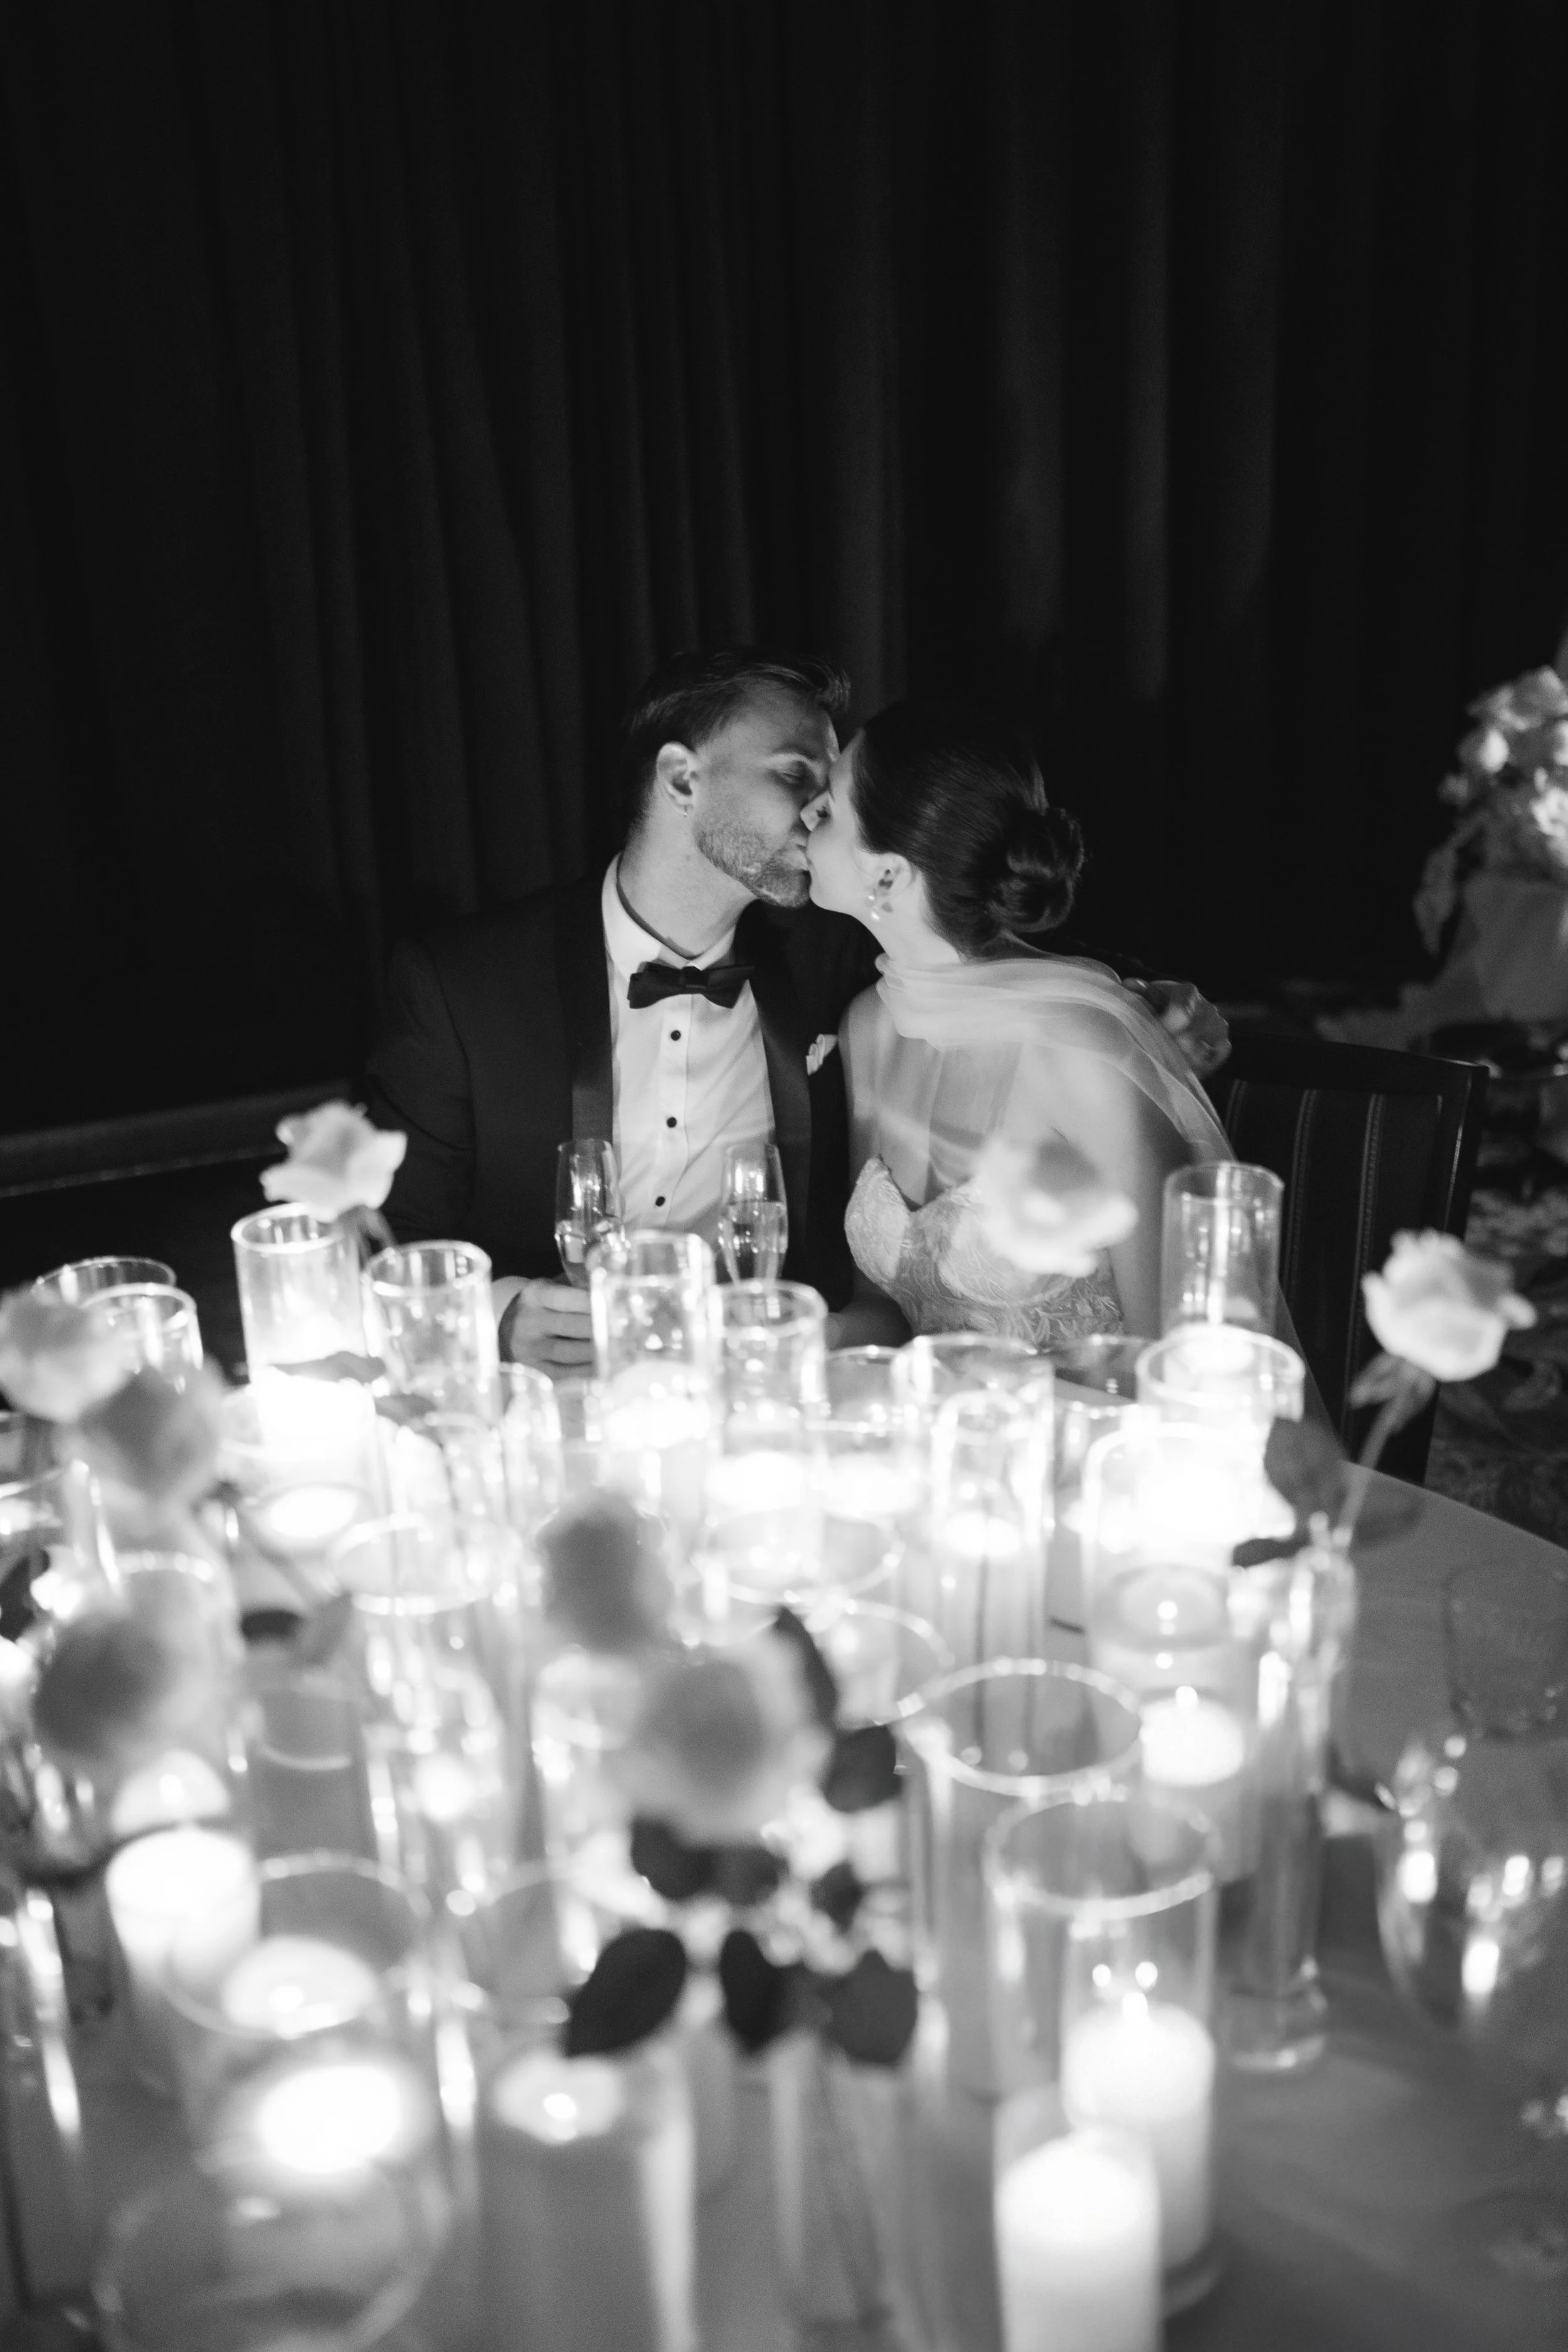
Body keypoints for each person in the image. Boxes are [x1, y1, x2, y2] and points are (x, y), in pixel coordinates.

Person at [364, 647, 1229, 1370]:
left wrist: (1140, 993)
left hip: (782, 1405)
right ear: (680, 778)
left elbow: (973, 939)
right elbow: (384, 1239)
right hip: (554, 1402)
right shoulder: (464, 984)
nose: (818, 808)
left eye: (829, 790)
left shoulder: (835, 958)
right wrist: (502, 1315)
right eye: (793, 775)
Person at [803, 698, 1232, 1342]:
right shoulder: (870, 1026)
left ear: (887, 873)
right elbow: (887, 1307)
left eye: (830, 808)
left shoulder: (1082, 1053)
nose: (807, 813)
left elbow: (1174, 1356)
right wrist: (816, 1336)